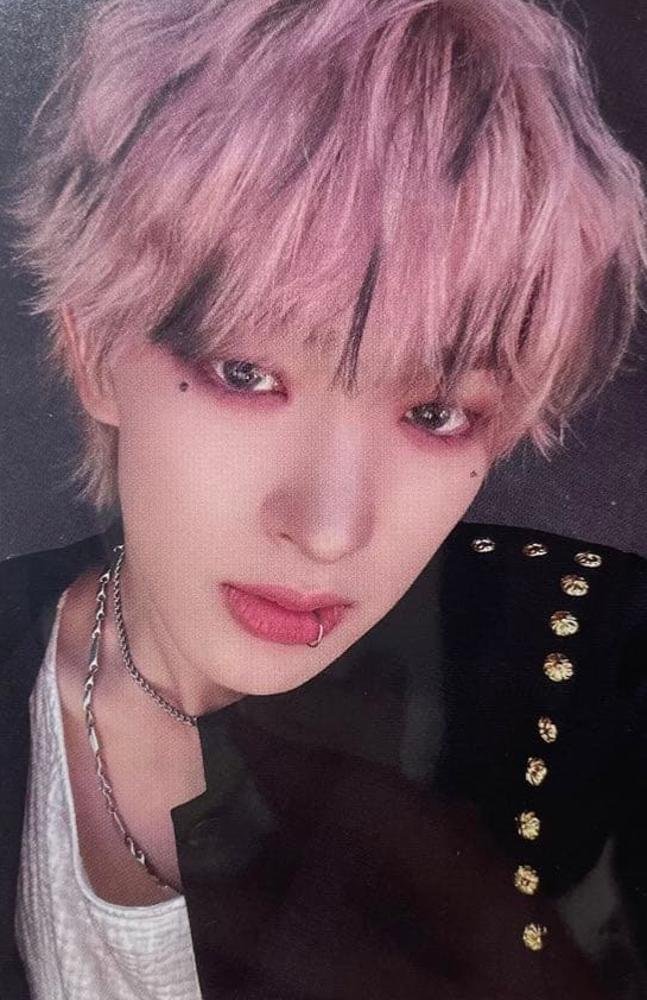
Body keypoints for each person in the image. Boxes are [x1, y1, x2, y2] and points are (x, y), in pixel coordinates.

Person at [2, 0, 647, 997]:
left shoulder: (600, 666)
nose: (328, 530)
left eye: (434, 412)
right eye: (245, 374)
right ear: (92, 352)